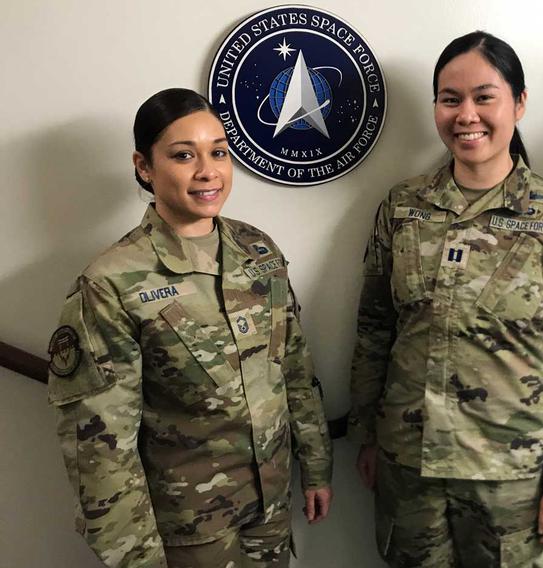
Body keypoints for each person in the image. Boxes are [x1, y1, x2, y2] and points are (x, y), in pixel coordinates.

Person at [347, 31, 543, 568]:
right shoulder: (401, 207)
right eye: (451, 99)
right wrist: (368, 435)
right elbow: (375, 328)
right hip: (410, 467)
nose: (467, 114)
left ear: (519, 102)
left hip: (510, 478)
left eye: (484, 96)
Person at [46, 88, 333, 568]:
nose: (208, 171)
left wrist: (318, 466)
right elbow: (100, 446)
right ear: (144, 166)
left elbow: (295, 372)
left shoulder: (257, 250)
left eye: (218, 152)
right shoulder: (111, 283)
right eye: (183, 156)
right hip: (186, 529)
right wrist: (136, 557)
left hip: (271, 506)